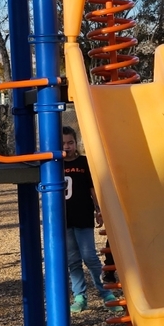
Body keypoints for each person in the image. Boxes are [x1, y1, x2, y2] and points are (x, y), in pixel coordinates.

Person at [62, 126, 119, 313]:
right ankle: (79, 296)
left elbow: (92, 189)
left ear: (76, 143)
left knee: (89, 256)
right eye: (63, 143)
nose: (68, 146)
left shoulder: (84, 163)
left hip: (83, 214)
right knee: (72, 259)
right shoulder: (55, 164)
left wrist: (99, 209)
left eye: (70, 142)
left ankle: (106, 294)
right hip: (64, 217)